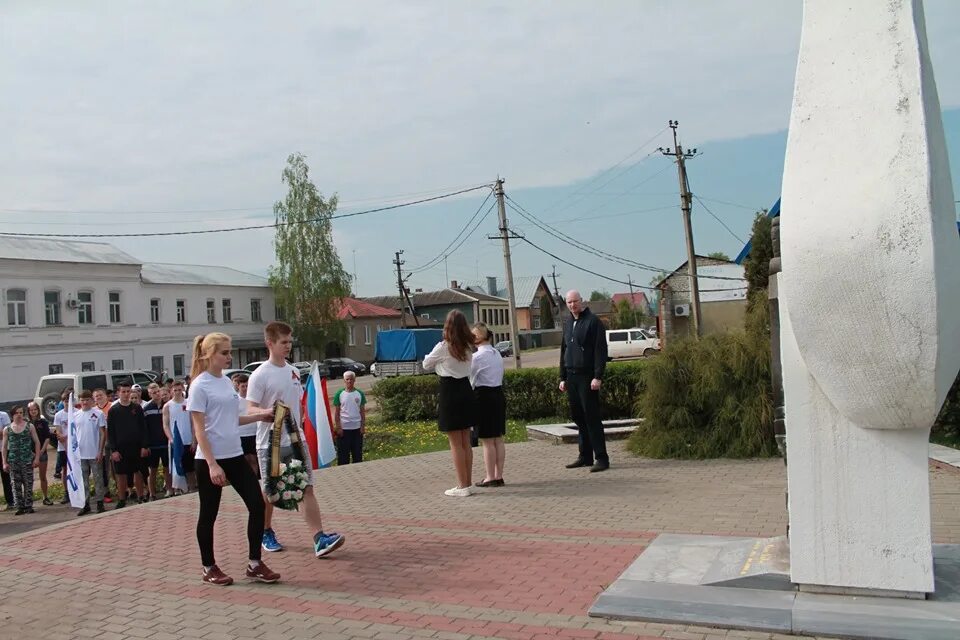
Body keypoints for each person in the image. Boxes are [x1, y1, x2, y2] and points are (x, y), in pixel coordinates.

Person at [246, 321, 345, 557]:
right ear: (269, 343)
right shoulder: (259, 375)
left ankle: (319, 539)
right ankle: (265, 530)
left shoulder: (292, 371)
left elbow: (298, 403)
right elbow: (249, 408)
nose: (288, 346)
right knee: (271, 491)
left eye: (290, 341)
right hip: (270, 442)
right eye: (284, 342)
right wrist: (266, 414)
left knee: (305, 486)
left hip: (295, 439)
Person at [188, 332, 280, 586]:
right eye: (224, 352)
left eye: (230, 351)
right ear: (209, 354)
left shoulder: (225, 382)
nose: (230, 357)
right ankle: (208, 566)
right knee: (209, 514)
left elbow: (232, 419)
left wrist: (261, 416)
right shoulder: (199, 385)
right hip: (210, 459)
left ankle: (255, 563)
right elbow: (199, 429)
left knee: (257, 505)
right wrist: (212, 464)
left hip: (235, 455)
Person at [423, 310, 477, 497]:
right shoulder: (469, 347)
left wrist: (439, 365)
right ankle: (468, 482)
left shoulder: (444, 347)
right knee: (465, 441)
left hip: (450, 392)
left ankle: (462, 486)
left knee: (455, 443)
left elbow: (426, 364)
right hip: (465, 390)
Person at [559, 290, 609, 472]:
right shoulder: (568, 323)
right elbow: (563, 351)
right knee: (578, 418)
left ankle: (602, 458)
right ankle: (585, 456)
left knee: (592, 418)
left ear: (582, 301)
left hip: (588, 378)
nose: (573, 305)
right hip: (571, 377)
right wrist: (562, 377)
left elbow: (600, 351)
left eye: (575, 301)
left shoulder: (593, 322)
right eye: (569, 302)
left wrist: (598, 376)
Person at [469, 322, 506, 487]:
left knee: (487, 440)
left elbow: (470, 380)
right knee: (498, 438)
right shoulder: (497, 353)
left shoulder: (476, 357)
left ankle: (490, 476)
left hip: (483, 397)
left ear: (476, 338)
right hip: (498, 394)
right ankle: (499, 475)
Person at [107, 380, 149, 508]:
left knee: (138, 472)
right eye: (123, 392)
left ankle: (140, 496)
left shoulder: (137, 408)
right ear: (118, 393)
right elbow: (111, 432)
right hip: (120, 448)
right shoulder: (113, 410)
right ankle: (122, 499)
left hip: (136, 447)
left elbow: (143, 428)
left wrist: (144, 446)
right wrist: (113, 450)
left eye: (128, 391)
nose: (126, 394)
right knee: (121, 474)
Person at [1, 406, 41, 515]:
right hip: (13, 461)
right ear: (12, 415)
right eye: (17, 413)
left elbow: (37, 442)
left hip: (27, 459)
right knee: (15, 484)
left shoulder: (29, 426)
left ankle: (28, 505)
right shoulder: (7, 429)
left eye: (21, 413)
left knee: (28, 483)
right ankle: (19, 506)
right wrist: (4, 462)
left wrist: (37, 458)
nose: (19, 415)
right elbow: (4, 447)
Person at [73, 389, 108, 515]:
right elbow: (73, 435)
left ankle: (100, 502)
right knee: (83, 480)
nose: (84, 402)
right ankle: (85, 503)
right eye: (82, 400)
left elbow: (103, 433)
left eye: (87, 400)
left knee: (98, 478)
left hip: (94, 453)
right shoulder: (76, 415)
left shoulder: (98, 414)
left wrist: (100, 451)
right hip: (81, 454)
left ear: (91, 401)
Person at [163, 379, 196, 492]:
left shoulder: (188, 403)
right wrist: (171, 438)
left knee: (190, 468)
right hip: (176, 442)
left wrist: (194, 440)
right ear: (171, 391)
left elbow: (193, 423)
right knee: (177, 467)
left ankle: (192, 488)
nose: (177, 392)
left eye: (179, 389)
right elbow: (165, 425)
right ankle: (179, 490)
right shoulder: (168, 406)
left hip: (188, 440)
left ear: (183, 389)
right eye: (175, 390)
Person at [143, 383, 172, 499]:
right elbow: (144, 429)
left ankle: (169, 490)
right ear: (149, 394)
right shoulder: (146, 409)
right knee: (152, 470)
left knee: (167, 468)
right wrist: (146, 445)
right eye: (153, 393)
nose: (157, 394)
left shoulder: (167, 405)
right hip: (152, 445)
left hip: (165, 443)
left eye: (158, 391)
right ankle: (152, 493)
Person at [333, 371, 366, 465]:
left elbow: (362, 412)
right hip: (344, 429)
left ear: (354, 380)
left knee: (357, 454)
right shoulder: (339, 394)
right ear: (344, 380)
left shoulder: (359, 394)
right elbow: (337, 413)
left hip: (357, 429)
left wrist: (362, 426)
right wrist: (338, 427)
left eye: (351, 379)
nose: (349, 381)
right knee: (343, 455)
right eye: (347, 379)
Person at [26, 402, 54, 505]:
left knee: (43, 476)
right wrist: (31, 452)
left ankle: (45, 497)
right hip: (29, 453)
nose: (33, 412)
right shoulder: (26, 424)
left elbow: (47, 437)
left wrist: (42, 450)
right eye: (31, 410)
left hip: (42, 452)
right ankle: (28, 498)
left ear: (38, 410)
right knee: (28, 478)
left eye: (35, 409)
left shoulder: (43, 422)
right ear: (28, 412)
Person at [93, 389, 116, 504]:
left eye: (100, 395)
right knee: (103, 469)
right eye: (96, 396)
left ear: (106, 396)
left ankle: (124, 489)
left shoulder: (113, 407)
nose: (98, 397)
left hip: (114, 441)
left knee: (117, 467)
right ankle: (106, 492)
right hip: (101, 443)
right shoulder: (94, 411)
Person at [232, 373, 259, 475]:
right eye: (243, 386)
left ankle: (255, 481)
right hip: (241, 435)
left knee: (254, 459)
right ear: (238, 386)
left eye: (247, 386)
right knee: (246, 460)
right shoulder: (235, 400)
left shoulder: (253, 400)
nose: (245, 388)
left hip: (253, 433)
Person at [52, 389, 72, 504]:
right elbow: (58, 431)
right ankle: (66, 492)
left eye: (69, 400)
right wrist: (62, 437)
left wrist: (69, 438)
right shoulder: (59, 415)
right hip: (63, 447)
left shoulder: (76, 412)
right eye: (65, 400)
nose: (67, 402)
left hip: (73, 447)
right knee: (65, 470)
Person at [0, 408, 13, 511]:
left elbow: (6, 433)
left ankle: (11, 501)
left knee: (6, 477)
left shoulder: (3, 415)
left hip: (3, 450)